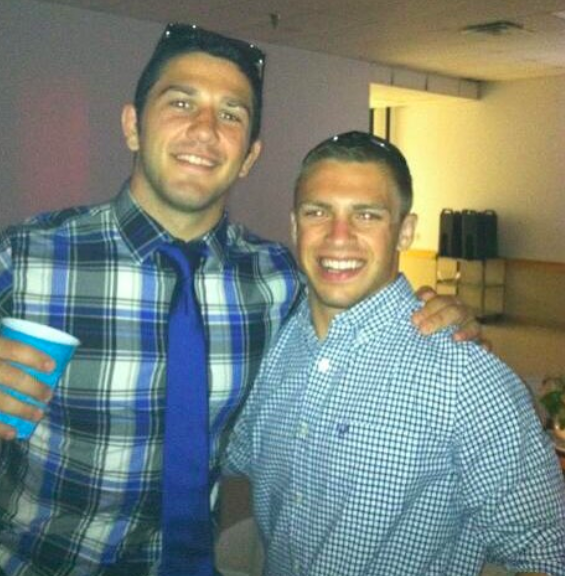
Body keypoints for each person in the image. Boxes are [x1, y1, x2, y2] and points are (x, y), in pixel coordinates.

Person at [0, 25, 477, 576]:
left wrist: (440, 315)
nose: (205, 129)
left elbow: (361, 318)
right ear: (132, 126)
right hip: (28, 562)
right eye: (181, 102)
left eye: (231, 114)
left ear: (249, 156)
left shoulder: (280, 279)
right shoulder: (31, 255)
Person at [225, 131, 565, 576]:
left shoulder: (465, 376)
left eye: (366, 215)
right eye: (317, 212)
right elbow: (226, 454)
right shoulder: (272, 346)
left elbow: (545, 554)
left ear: (405, 231)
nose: (338, 237)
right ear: (294, 225)